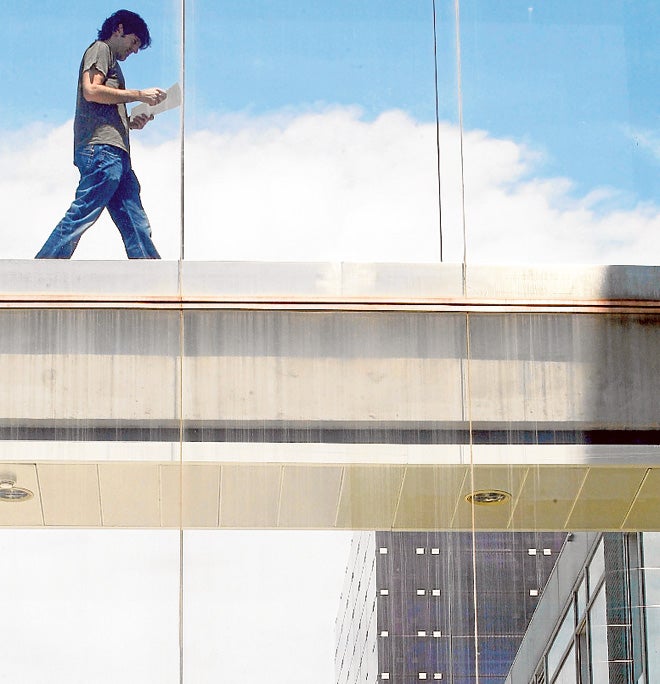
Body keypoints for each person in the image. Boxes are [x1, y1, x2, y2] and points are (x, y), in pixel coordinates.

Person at [36, 10, 167, 259]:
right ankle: (44, 264)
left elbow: (100, 106)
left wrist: (129, 122)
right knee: (85, 210)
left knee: (134, 218)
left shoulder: (111, 60)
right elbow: (92, 91)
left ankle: (150, 272)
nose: (135, 50)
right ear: (119, 29)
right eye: (134, 41)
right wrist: (140, 94)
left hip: (115, 152)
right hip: (102, 151)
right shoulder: (100, 49)